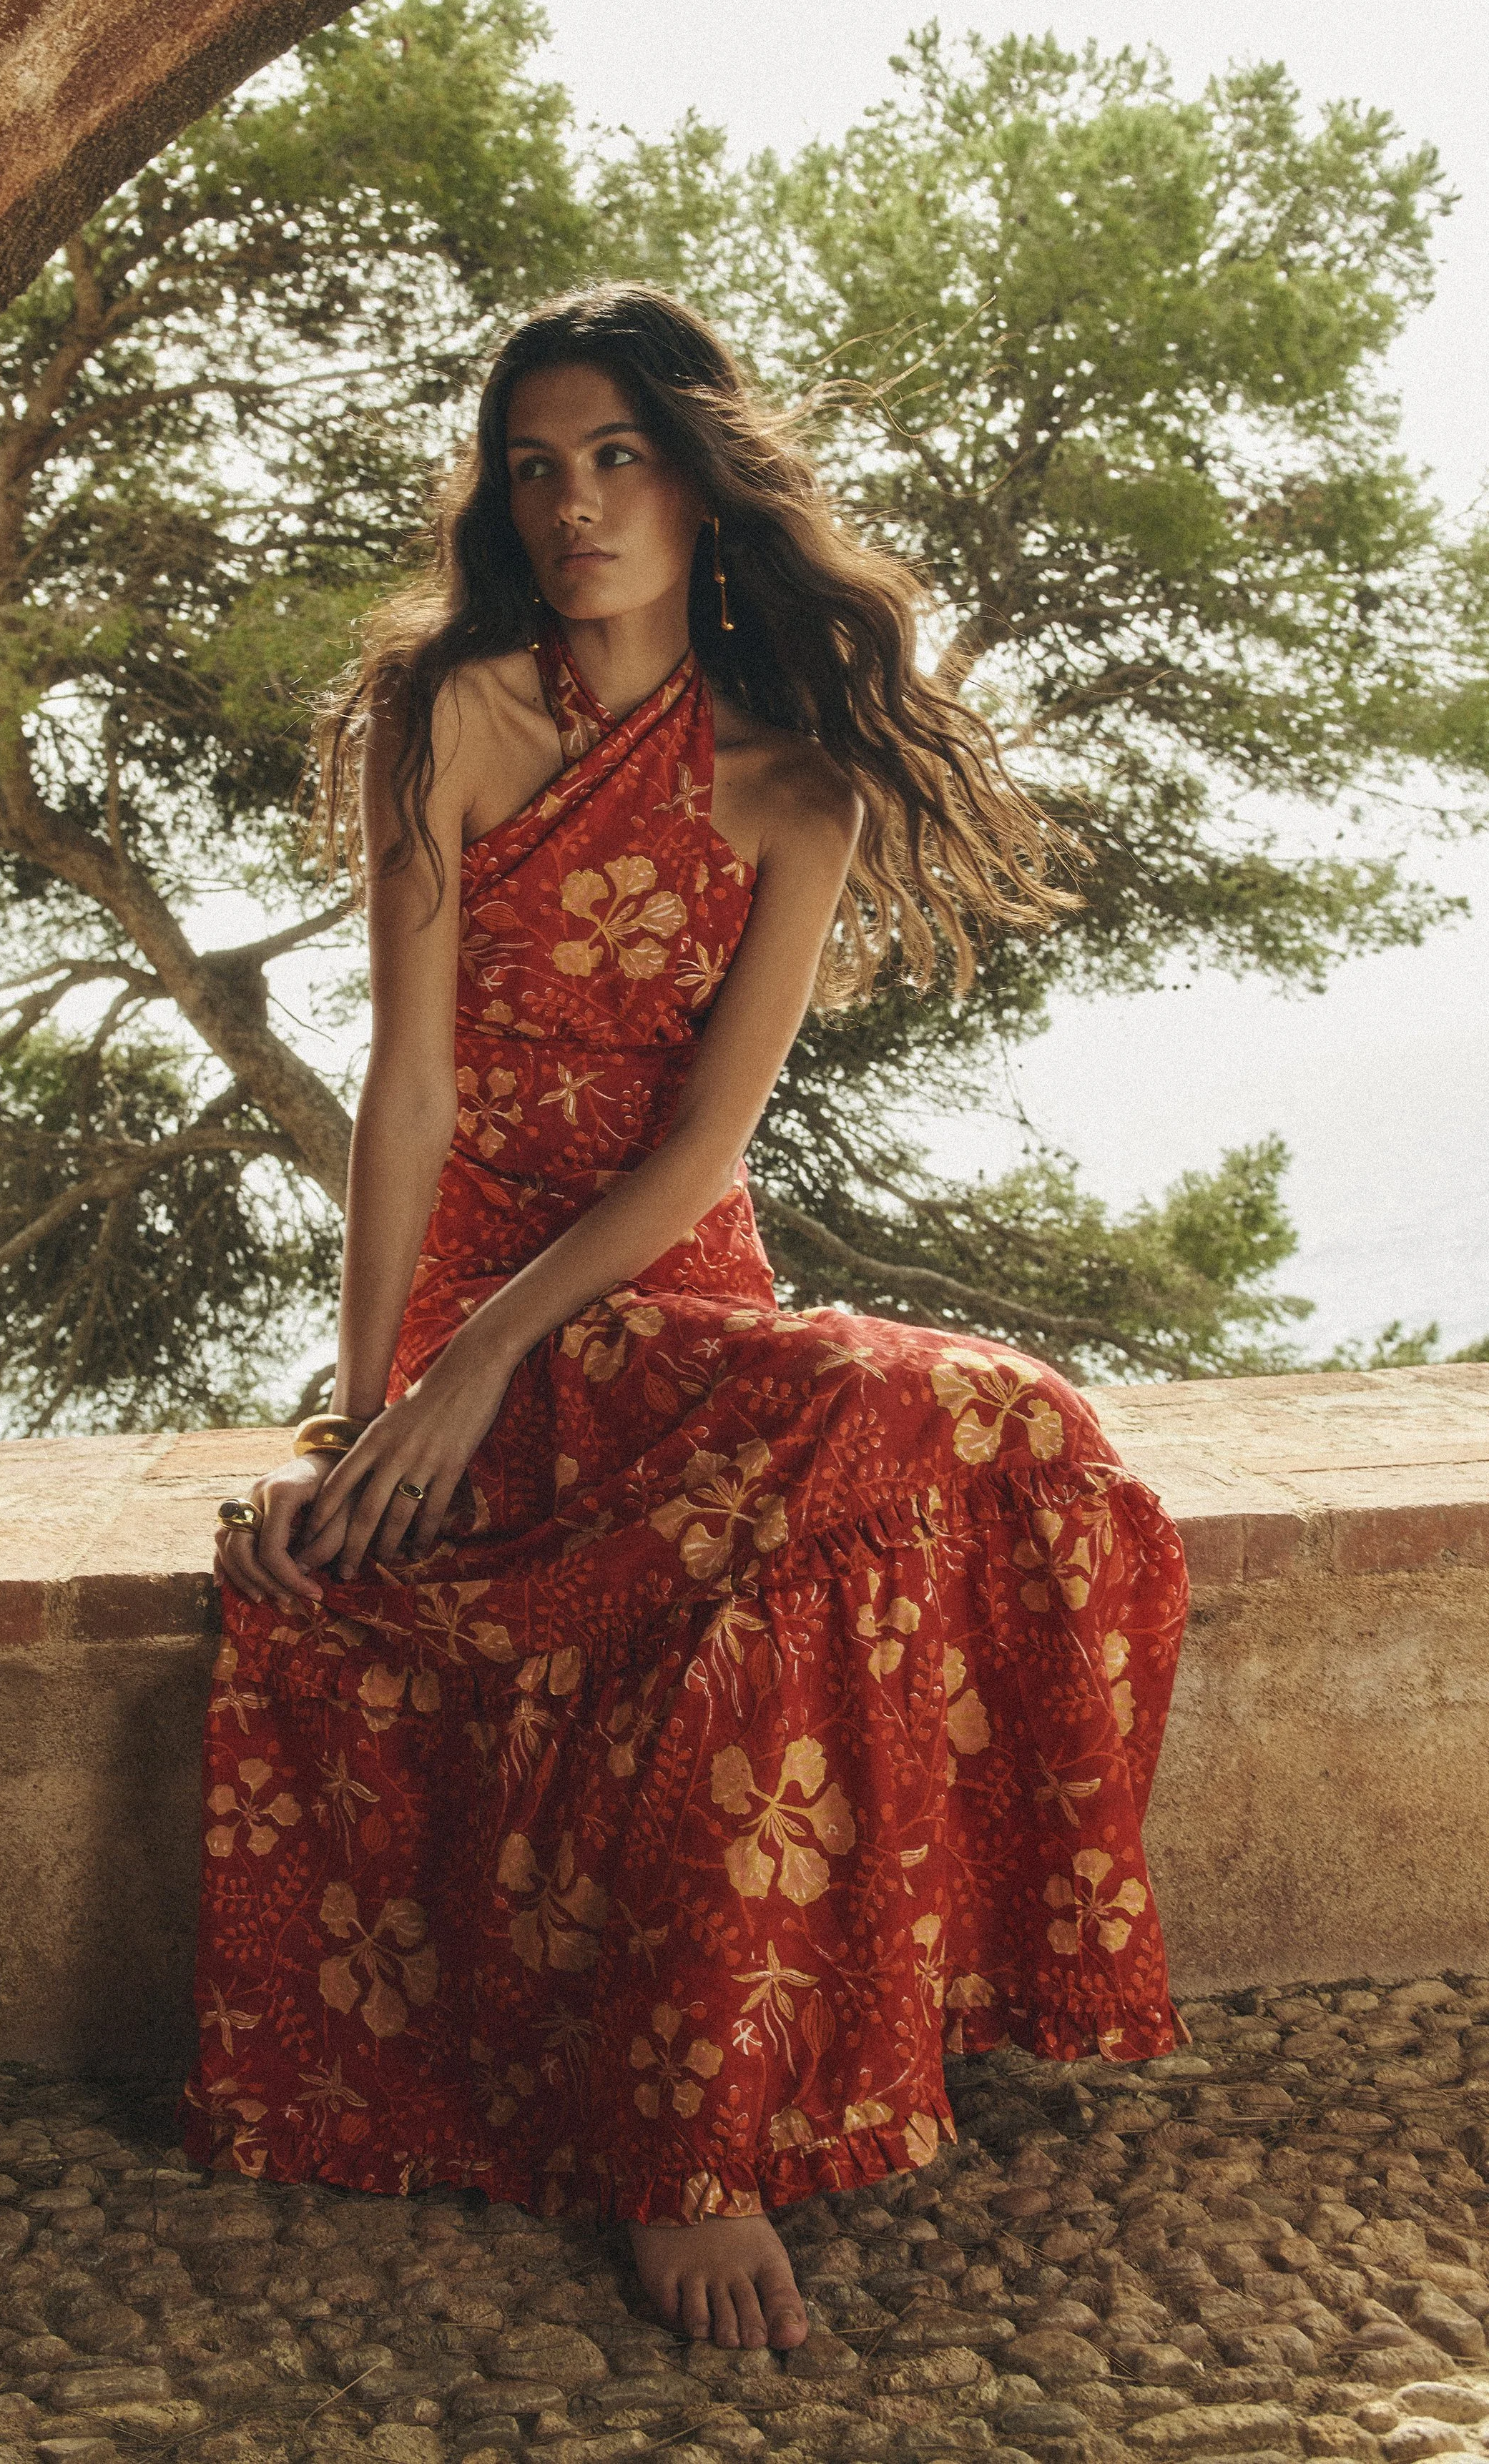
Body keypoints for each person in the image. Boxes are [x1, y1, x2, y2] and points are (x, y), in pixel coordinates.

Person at [190, 284, 1189, 2357]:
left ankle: (868, 2026)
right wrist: (379, 1404)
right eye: (533, 469)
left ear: (703, 488)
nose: (572, 505)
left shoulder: (796, 789)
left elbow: (698, 1153)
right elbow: (408, 1088)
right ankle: (692, 2152)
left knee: (989, 1438)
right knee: (776, 1548)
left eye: (617, 458)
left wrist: (487, 1360)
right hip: (479, 1274)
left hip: (659, 1287)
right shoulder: (450, 716)